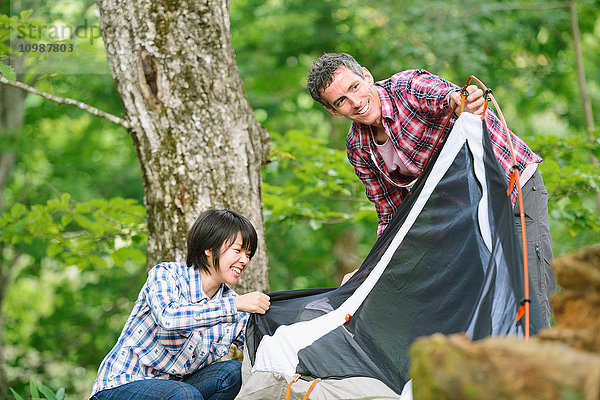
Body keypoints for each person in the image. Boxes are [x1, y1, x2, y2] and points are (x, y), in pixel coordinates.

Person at [307, 53, 554, 327]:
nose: (355, 103)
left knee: (531, 294)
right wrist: (370, 271)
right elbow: (392, 216)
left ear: (366, 76)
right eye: (340, 101)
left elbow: (445, 97)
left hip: (513, 188)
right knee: (487, 303)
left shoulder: (406, 87)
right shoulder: (358, 147)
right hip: (467, 213)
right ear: (332, 110)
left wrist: (463, 102)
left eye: (354, 87)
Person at [90, 209, 271, 400]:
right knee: (184, 394)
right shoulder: (167, 275)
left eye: (248, 254)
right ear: (209, 248)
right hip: (120, 386)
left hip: (177, 390)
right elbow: (169, 317)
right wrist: (233, 306)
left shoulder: (235, 307)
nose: (244, 260)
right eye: (237, 250)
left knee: (234, 373)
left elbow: (263, 352)